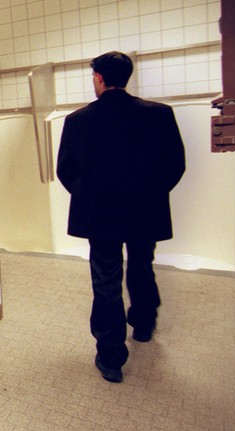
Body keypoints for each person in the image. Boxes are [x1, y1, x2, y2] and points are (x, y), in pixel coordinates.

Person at [56, 51, 185, 383]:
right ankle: (143, 326)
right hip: (145, 210)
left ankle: (111, 358)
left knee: (106, 280)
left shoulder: (78, 120)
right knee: (142, 265)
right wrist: (151, 194)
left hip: (100, 215)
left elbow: (65, 171)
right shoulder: (159, 114)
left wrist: (91, 196)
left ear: (99, 78)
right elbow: (175, 165)